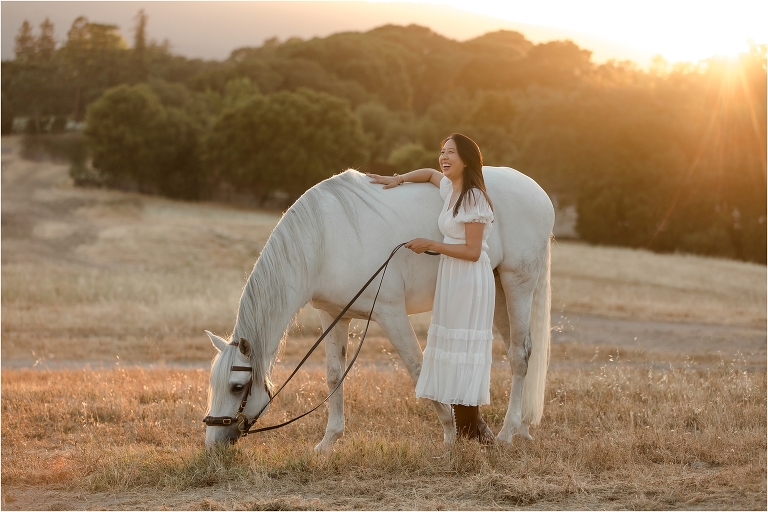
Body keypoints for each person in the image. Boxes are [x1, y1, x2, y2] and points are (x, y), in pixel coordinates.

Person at [367, 133, 495, 444]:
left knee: (463, 353)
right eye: (442, 152)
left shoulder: (474, 197)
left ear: (467, 159)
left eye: (451, 152)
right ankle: (476, 434)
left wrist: (430, 244)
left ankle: (470, 436)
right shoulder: (451, 189)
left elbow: (473, 251)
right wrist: (396, 179)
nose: (444, 157)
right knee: (452, 353)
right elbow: (428, 174)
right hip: (452, 276)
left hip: (469, 278)